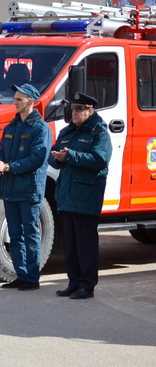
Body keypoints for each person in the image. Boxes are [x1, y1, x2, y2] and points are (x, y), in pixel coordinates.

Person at [0, 83, 52, 291]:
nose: (14, 102)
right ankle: (21, 274)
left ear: (31, 102)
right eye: (15, 98)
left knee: (30, 234)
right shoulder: (11, 127)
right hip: (10, 189)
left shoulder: (41, 129)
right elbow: (3, 152)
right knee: (15, 235)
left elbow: (36, 159)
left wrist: (6, 167)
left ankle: (32, 278)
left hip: (29, 190)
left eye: (19, 99)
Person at [49, 92, 112, 300]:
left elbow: (100, 159)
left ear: (90, 111)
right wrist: (58, 158)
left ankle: (87, 286)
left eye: (79, 109)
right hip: (67, 195)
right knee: (70, 244)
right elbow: (54, 154)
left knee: (86, 244)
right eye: (73, 109)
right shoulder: (69, 131)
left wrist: (71, 156)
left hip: (86, 195)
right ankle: (73, 282)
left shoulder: (98, 132)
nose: (73, 113)